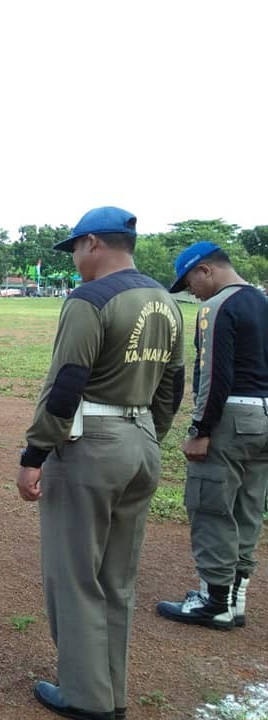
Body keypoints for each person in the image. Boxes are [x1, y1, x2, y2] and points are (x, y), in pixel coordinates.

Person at [17, 207, 185, 720]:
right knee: (117, 579)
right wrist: (148, 435)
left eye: (75, 248)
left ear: (92, 242)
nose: (75, 259)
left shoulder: (90, 299)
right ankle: (111, 691)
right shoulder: (166, 299)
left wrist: (34, 454)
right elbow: (174, 383)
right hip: (141, 440)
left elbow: (67, 382)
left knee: (74, 574)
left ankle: (86, 696)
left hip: (92, 445)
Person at [156, 242, 268, 630]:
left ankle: (214, 601)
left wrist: (200, 430)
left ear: (205, 270)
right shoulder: (261, 301)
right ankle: (235, 599)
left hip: (231, 419)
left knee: (212, 506)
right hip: (264, 415)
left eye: (190, 283)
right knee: (247, 508)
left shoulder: (218, 307)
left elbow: (214, 374)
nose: (192, 293)